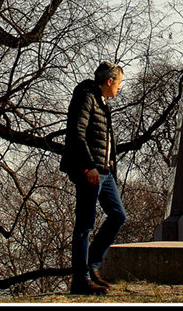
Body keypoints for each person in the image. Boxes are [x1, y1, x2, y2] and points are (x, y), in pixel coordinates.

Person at [59, 61, 127, 296]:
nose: (119, 89)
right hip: (90, 171)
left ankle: (93, 265)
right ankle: (81, 280)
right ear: (109, 81)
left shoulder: (102, 101)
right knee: (85, 225)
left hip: (105, 172)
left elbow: (103, 138)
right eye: (118, 84)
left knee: (118, 215)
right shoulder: (87, 96)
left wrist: (109, 164)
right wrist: (89, 168)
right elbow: (77, 133)